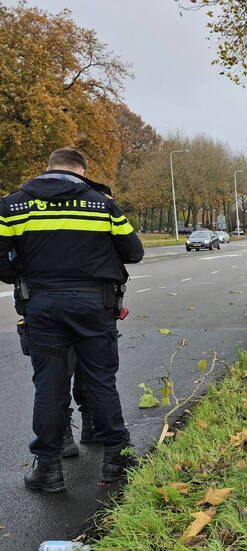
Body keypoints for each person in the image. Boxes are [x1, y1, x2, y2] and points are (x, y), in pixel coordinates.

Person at [0, 147, 144, 493]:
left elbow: (3, 268)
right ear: (82, 170)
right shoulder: (101, 203)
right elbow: (134, 252)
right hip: (95, 304)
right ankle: (116, 459)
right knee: (101, 380)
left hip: (42, 304)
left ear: (48, 169)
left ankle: (48, 469)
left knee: (48, 386)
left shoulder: (12, 205)